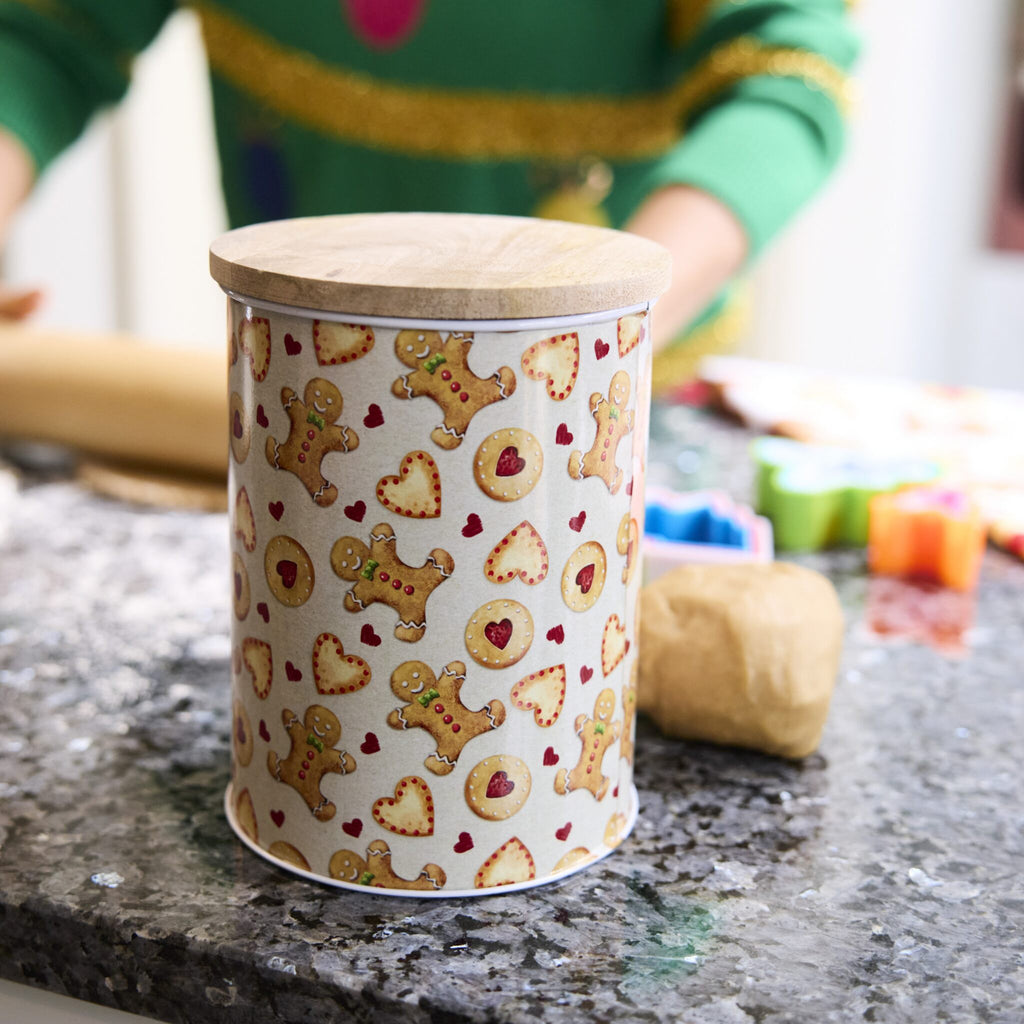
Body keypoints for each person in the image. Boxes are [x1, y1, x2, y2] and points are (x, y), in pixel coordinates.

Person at [0, 0, 857, 393]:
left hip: (612, 405)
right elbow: (46, 38)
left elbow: (786, 82)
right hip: (309, 395)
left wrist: (597, 345)